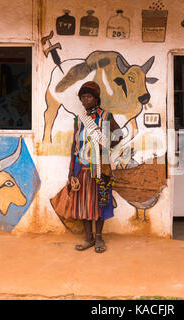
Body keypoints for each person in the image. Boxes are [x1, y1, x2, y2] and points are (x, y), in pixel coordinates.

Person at [68, 81, 121, 253]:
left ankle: (99, 238)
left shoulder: (106, 116)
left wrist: (104, 146)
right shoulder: (79, 119)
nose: (85, 100)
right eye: (83, 97)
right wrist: (70, 170)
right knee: (83, 204)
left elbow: (119, 134)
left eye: (89, 96)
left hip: (101, 167)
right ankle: (88, 238)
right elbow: (73, 144)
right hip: (81, 166)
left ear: (96, 99)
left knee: (100, 202)